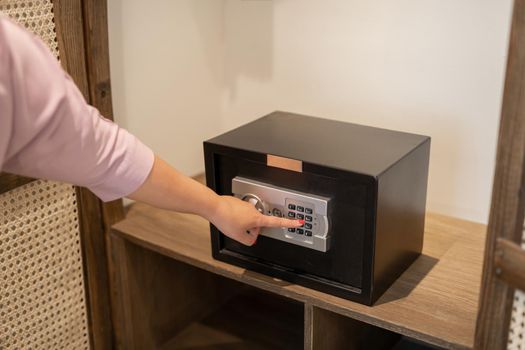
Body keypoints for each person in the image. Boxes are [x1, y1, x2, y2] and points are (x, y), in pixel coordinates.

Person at [0, 16, 302, 246]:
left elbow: (107, 155)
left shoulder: (10, 53)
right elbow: (105, 154)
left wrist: (218, 208)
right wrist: (217, 207)